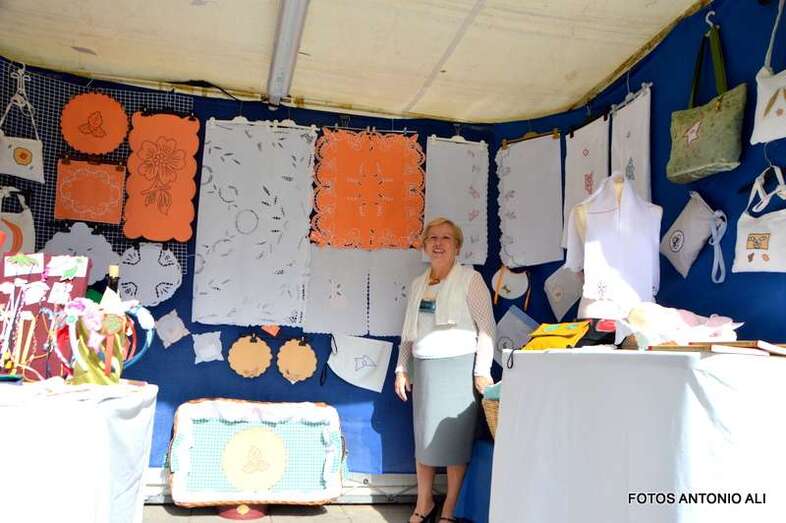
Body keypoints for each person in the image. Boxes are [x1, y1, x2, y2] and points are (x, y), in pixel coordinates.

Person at [394, 217, 495, 523]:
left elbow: (487, 328)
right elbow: (408, 332)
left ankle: (449, 508)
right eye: (432, 238)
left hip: (458, 370)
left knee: (454, 444)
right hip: (424, 371)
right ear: (425, 246)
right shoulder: (417, 284)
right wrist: (401, 368)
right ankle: (423, 504)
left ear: (457, 246)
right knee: (424, 441)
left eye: (446, 238)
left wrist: (482, 370)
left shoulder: (470, 280)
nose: (438, 244)